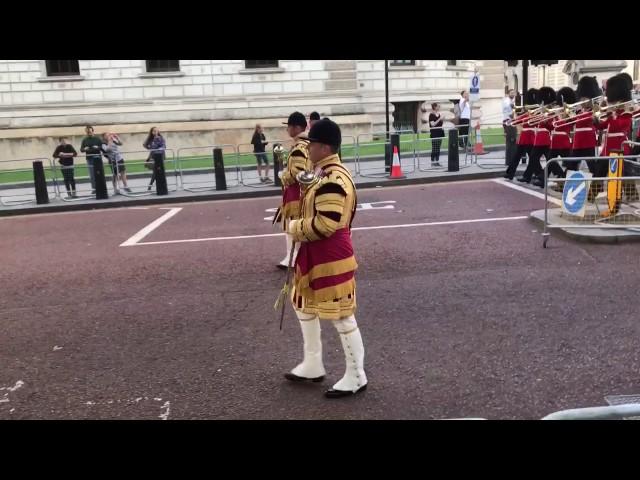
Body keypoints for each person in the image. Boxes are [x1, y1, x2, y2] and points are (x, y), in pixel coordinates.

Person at [285, 118, 367, 398]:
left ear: (324, 147)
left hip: (331, 256)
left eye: (312, 145)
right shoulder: (323, 172)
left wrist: (295, 227)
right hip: (317, 255)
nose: (308, 149)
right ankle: (312, 363)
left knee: (343, 318)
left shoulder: (333, 178)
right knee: (303, 305)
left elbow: (325, 225)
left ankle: (356, 375)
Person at [276, 111, 310, 270]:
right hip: (301, 193)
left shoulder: (299, 147)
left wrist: (283, 175)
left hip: (297, 194)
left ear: (296, 128)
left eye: (289, 127)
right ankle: (293, 255)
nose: (287, 130)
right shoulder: (306, 144)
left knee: (292, 226)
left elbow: (297, 173)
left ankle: (293, 256)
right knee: (293, 226)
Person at [596, 73, 637, 201]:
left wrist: (611, 115)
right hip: (607, 148)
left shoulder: (626, 112)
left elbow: (619, 125)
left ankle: (632, 194)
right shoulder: (613, 112)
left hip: (620, 147)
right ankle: (592, 193)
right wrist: (596, 121)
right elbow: (604, 126)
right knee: (599, 171)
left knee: (625, 172)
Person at [518, 86, 555, 185]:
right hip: (538, 138)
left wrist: (546, 121)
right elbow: (533, 123)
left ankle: (555, 176)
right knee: (536, 158)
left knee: (551, 160)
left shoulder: (552, 112)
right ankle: (536, 176)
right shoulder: (541, 111)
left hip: (546, 138)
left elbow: (553, 126)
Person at [504, 88, 539, 180]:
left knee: (532, 158)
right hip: (524, 137)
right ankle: (510, 173)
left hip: (530, 137)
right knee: (517, 156)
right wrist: (513, 120)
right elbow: (520, 119)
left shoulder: (536, 113)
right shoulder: (528, 113)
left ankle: (538, 174)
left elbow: (528, 121)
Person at [80, 125, 102, 193]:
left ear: (92, 131)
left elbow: (101, 147)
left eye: (89, 131)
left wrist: (97, 147)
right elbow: (81, 149)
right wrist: (84, 149)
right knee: (92, 175)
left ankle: (101, 187)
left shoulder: (97, 139)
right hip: (89, 159)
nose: (88, 133)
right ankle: (94, 189)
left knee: (99, 173)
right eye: (87, 132)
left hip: (97, 158)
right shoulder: (84, 140)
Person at [143, 127, 166, 191]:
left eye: (156, 131)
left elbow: (164, 146)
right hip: (153, 157)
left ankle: (152, 185)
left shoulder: (160, 138)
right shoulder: (151, 139)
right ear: (152, 132)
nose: (155, 132)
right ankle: (153, 185)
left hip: (160, 156)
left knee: (158, 171)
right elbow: (144, 144)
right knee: (156, 171)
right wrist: (149, 137)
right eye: (154, 131)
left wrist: (157, 148)